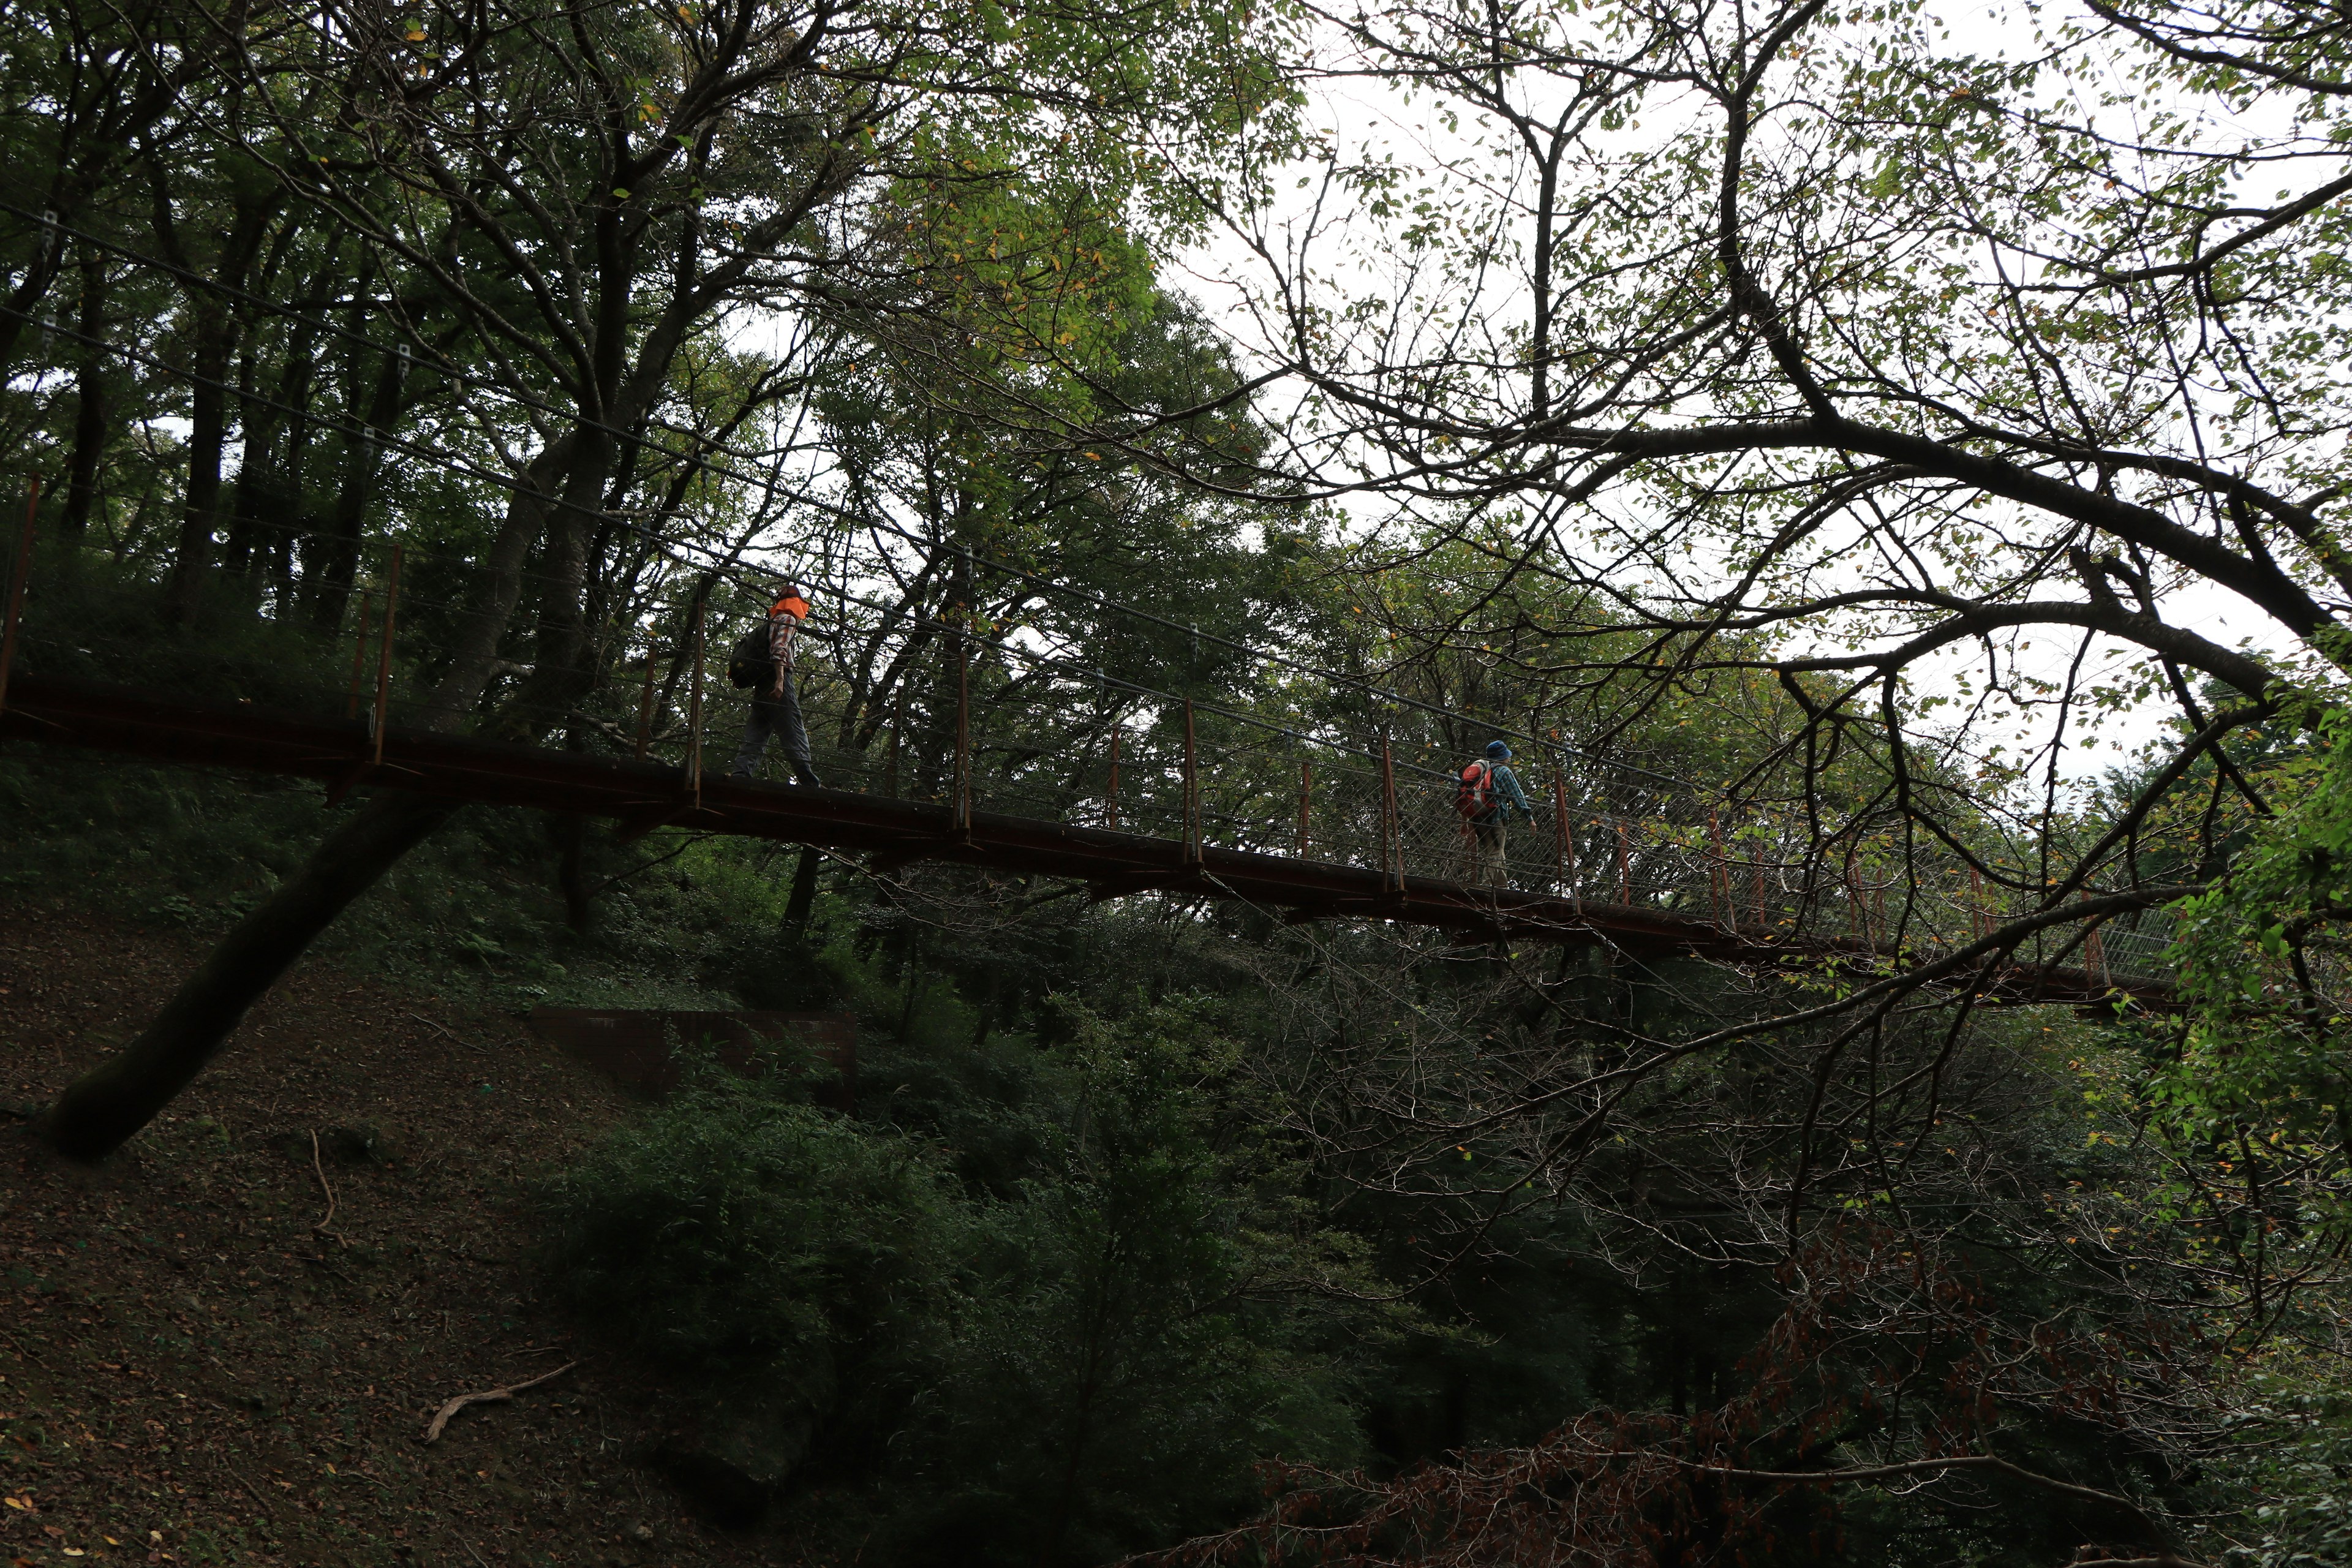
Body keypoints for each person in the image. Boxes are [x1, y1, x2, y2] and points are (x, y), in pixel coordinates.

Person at [729, 581, 823, 786]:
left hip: (761, 682)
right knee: (792, 728)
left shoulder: (771, 622)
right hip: (775, 678)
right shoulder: (787, 619)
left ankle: (741, 774)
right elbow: (779, 649)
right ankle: (808, 779)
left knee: (758, 728)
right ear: (796, 603)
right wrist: (780, 680)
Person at [1463, 739, 1533, 888]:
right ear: (1504, 757)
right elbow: (1516, 795)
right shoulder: (1503, 771)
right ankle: (1487, 886)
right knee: (1495, 852)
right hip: (1495, 818)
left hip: (1478, 817)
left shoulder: (1483, 770)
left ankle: (1503, 888)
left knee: (1495, 851)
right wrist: (1529, 818)